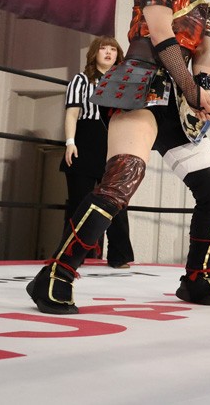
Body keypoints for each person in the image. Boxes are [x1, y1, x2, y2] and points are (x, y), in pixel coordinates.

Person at [27, 0, 210, 313]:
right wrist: (193, 89)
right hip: (142, 86)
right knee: (121, 181)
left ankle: (198, 277)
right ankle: (56, 274)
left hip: (179, 101)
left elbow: (204, 50)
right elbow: (160, 33)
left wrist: (203, 87)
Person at [61, 36, 135, 269]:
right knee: (79, 201)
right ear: (94, 53)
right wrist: (70, 142)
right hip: (85, 139)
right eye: (103, 48)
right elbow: (72, 113)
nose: (108, 52)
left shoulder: (123, 83)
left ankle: (119, 255)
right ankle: (71, 255)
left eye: (113, 49)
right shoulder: (81, 80)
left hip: (114, 141)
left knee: (116, 200)